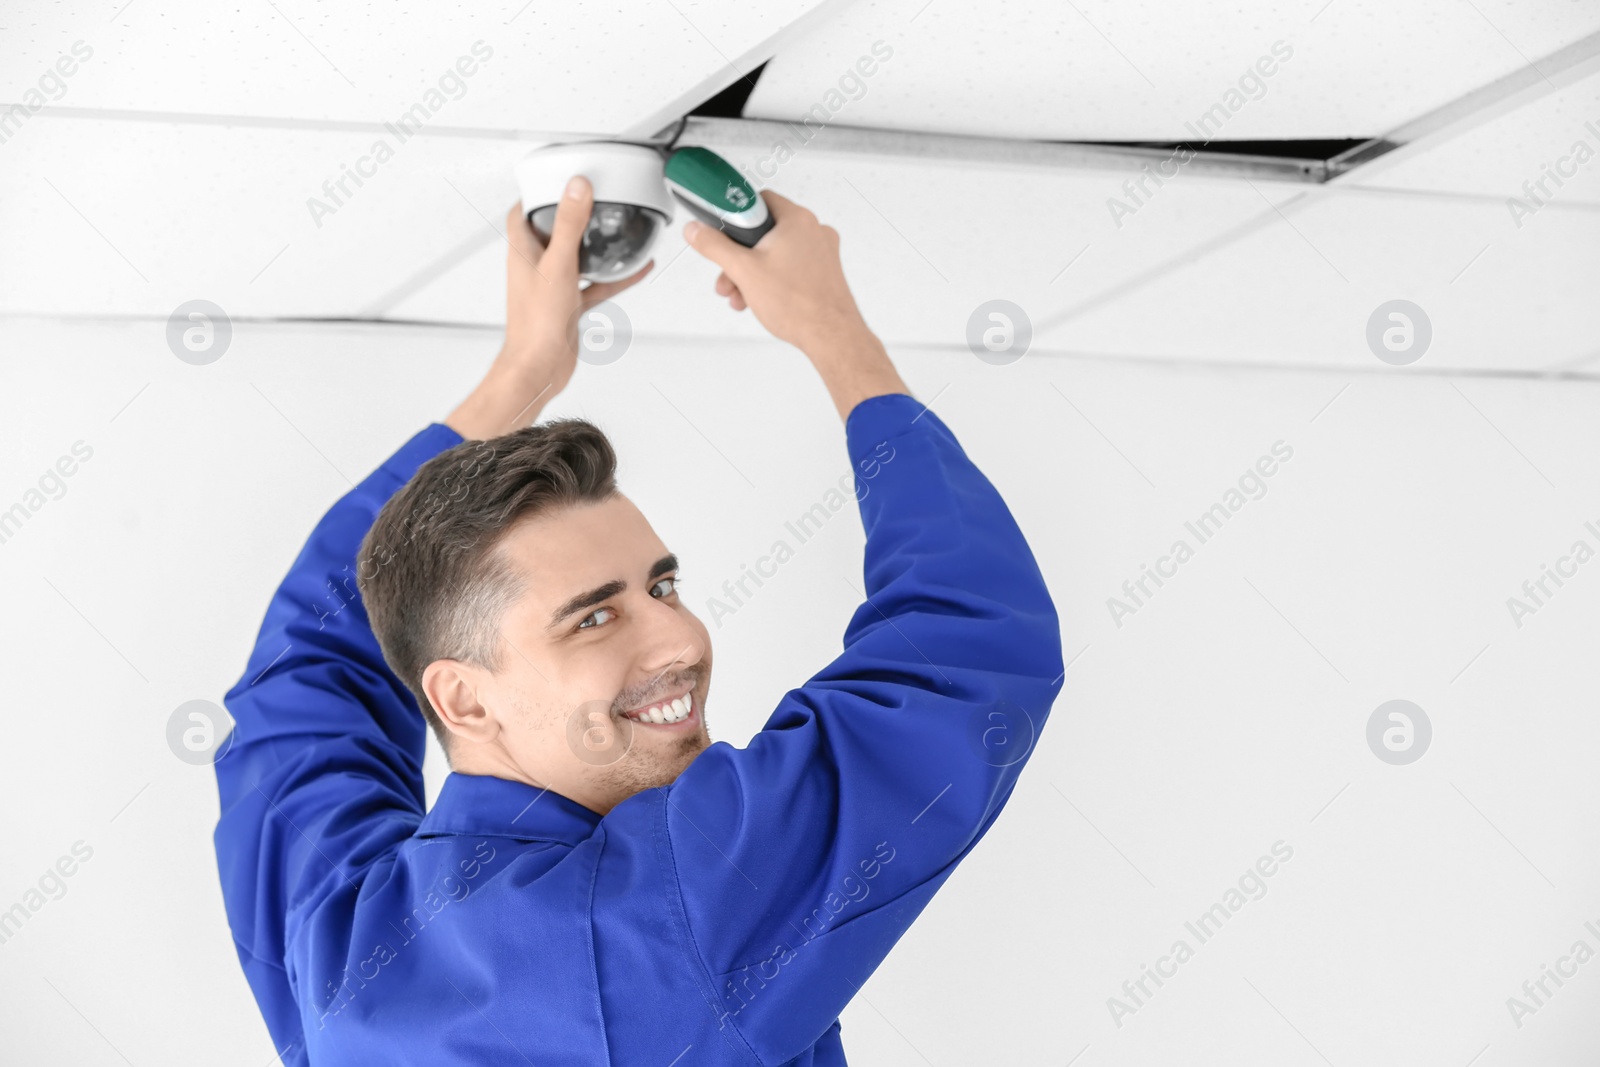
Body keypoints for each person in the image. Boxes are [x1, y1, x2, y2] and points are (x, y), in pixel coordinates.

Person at [213, 172, 1065, 1065]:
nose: (680, 640)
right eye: (592, 619)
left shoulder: (339, 943)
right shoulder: (667, 910)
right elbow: (967, 650)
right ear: (460, 699)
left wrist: (524, 373)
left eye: (661, 587)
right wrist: (834, 331)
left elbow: (308, 666)